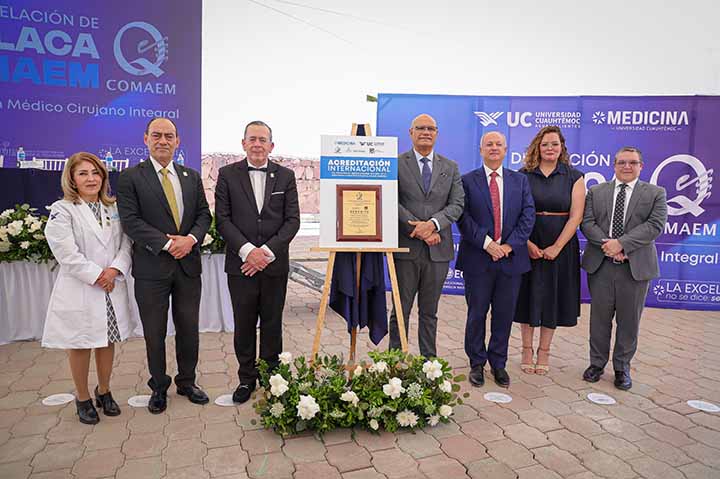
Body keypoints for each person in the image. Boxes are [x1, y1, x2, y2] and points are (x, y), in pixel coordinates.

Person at [117, 118, 211, 413]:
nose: (163, 141)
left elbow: (204, 215)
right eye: (156, 135)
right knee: (154, 332)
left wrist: (191, 240)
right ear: (145, 139)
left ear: (177, 141)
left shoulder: (191, 177)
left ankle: (187, 382)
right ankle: (158, 386)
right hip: (152, 269)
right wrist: (170, 244)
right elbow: (131, 221)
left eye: (169, 136)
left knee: (189, 328)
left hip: (187, 267)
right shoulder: (130, 177)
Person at [43, 152, 133, 424]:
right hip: (82, 288)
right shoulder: (63, 209)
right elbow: (66, 253)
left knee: (107, 341)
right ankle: (82, 397)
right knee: (81, 343)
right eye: (83, 173)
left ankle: (104, 391)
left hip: (110, 286)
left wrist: (115, 270)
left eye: (95, 173)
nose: (91, 179)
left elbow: (126, 243)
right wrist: (98, 276)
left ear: (103, 177)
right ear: (72, 178)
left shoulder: (113, 207)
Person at [215, 120, 300, 404]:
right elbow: (222, 219)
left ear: (271, 145)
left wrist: (266, 253)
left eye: (263, 140)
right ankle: (246, 379)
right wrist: (248, 252)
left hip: (274, 265)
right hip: (241, 266)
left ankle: (272, 377)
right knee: (244, 323)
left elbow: (292, 221)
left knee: (273, 323)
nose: (257, 144)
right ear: (243, 143)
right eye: (252, 139)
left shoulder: (286, 176)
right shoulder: (227, 174)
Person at [581, 147, 667, 390]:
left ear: (641, 166)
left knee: (629, 321)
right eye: (622, 162)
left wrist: (622, 244)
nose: (627, 166)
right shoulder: (596, 191)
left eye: (632, 162)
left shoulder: (655, 193)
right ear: (614, 165)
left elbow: (655, 225)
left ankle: (622, 368)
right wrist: (608, 246)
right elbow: (587, 223)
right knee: (599, 319)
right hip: (602, 265)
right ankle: (596, 364)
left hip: (635, 267)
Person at [456, 131, 535, 388]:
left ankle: (498, 363)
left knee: (504, 315)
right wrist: (488, 244)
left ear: (505, 150)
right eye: (488, 144)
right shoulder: (466, 181)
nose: (493, 148)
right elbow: (463, 217)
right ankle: (477, 363)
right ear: (481, 150)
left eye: (498, 144)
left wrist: (509, 246)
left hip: (510, 260)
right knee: (476, 314)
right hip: (478, 259)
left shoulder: (520, 181)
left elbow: (528, 216)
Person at [389, 114, 464, 358]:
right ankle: (395, 363)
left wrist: (432, 225)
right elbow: (390, 200)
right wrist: (418, 230)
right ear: (410, 132)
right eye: (420, 128)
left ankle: (428, 364)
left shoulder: (450, 167)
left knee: (429, 313)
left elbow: (457, 204)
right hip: (405, 248)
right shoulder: (396, 164)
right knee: (400, 310)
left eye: (431, 128)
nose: (425, 132)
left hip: (438, 251)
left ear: (437, 133)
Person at [514, 126, 585, 375]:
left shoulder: (574, 176)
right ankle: (526, 349)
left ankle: (544, 351)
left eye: (554, 144)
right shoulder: (523, 175)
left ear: (562, 147)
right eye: (545, 144)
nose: (550, 148)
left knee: (552, 299)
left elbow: (576, 216)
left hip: (561, 245)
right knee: (527, 296)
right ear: (537, 147)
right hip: (528, 241)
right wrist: (526, 244)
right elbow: (515, 212)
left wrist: (557, 246)